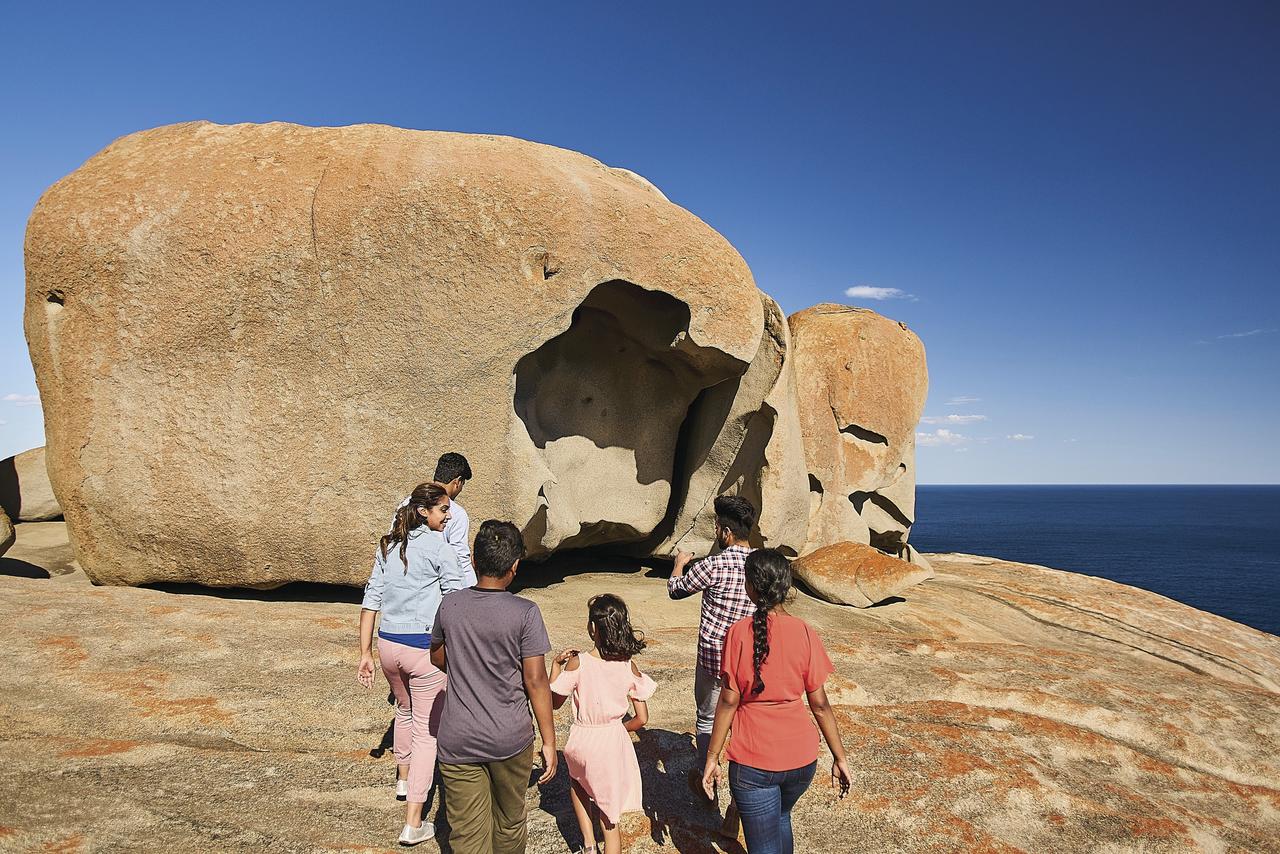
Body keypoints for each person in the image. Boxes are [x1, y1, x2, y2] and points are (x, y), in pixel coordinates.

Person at [700, 549, 853, 854]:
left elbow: (729, 702)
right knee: (781, 818)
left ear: (751, 587)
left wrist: (711, 758)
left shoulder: (738, 633)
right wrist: (840, 757)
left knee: (764, 845)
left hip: (754, 760)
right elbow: (820, 704)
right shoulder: (805, 632)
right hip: (801, 760)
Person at [430, 520, 557, 854]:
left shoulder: (451, 606)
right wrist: (549, 740)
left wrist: (466, 666)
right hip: (510, 739)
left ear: (474, 562)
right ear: (514, 567)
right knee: (510, 823)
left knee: (467, 835)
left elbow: (438, 657)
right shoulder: (526, 613)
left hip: (459, 740)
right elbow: (536, 681)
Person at [356, 482, 466, 847]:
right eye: (443, 510)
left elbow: (371, 598)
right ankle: (413, 822)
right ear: (424, 511)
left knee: (403, 711)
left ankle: (403, 780)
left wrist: (365, 653)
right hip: (423, 651)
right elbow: (454, 597)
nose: (448, 516)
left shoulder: (388, 544)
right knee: (427, 733)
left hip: (388, 646)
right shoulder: (440, 546)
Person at [666, 495, 757, 807]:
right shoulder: (762, 566)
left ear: (726, 533)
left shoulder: (714, 565)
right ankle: (740, 798)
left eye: (718, 526)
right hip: (750, 664)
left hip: (713, 662)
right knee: (743, 726)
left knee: (707, 719)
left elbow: (676, 590)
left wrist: (680, 563)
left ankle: (709, 783)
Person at [549, 594, 657, 854]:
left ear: (593, 628)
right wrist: (620, 728)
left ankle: (587, 844)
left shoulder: (579, 662)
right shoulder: (627, 665)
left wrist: (555, 664)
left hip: (581, 740)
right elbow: (642, 718)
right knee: (610, 819)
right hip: (610, 742)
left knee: (577, 781)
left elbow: (553, 701)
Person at [393, 452, 475, 586]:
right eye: (462, 484)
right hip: (436, 587)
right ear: (458, 482)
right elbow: (460, 559)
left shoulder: (406, 503)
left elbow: (393, 542)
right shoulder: (457, 513)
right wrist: (471, 592)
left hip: (402, 583)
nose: (447, 515)